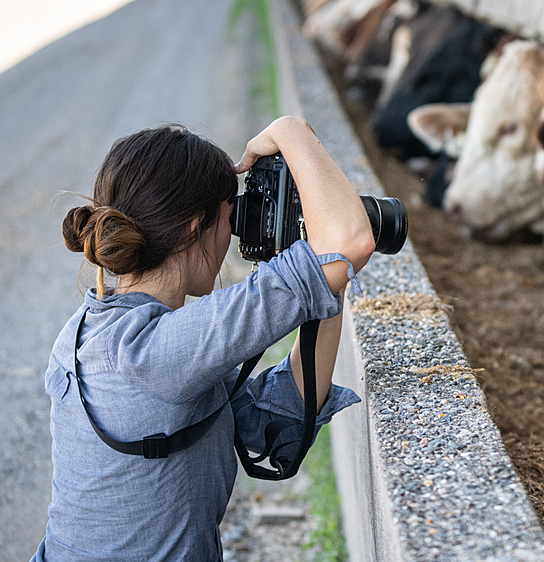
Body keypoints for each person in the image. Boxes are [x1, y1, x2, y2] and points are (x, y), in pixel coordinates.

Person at [33, 116, 376, 562]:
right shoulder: (159, 353)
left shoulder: (89, 329)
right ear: (197, 225)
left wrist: (328, 281)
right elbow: (350, 243)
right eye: (231, 219)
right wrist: (291, 131)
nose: (233, 237)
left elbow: (273, 420)